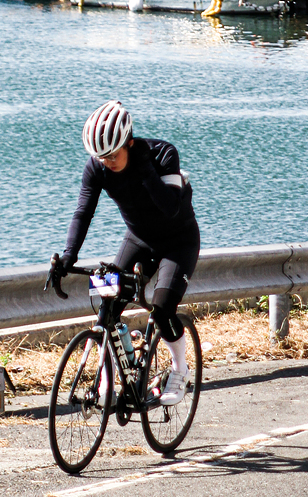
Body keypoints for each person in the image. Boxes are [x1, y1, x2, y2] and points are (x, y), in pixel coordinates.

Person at [55, 101, 200, 405]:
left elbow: (170, 208)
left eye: (112, 155)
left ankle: (180, 370)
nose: (107, 162)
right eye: (101, 157)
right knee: (108, 307)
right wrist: (69, 255)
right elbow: (83, 212)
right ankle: (109, 381)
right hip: (139, 239)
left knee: (162, 308)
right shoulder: (97, 167)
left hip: (178, 242)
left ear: (129, 143)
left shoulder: (162, 155)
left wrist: (145, 169)